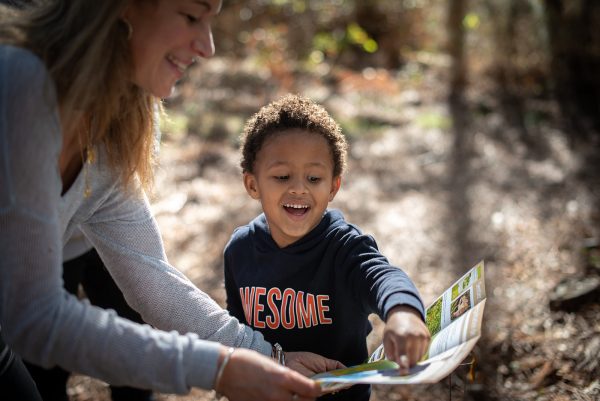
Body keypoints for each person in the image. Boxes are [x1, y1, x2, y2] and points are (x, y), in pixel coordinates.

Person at [0, 1, 343, 400]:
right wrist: (217, 370)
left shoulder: (120, 122)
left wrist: (269, 357)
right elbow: (32, 315)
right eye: (191, 17)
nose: (207, 46)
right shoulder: (21, 84)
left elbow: (151, 278)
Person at [224, 94, 432, 400]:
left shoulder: (345, 246)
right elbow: (236, 329)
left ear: (333, 186)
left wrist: (404, 313)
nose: (298, 187)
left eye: (314, 177)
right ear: (253, 185)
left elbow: (382, 276)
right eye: (282, 176)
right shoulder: (239, 250)